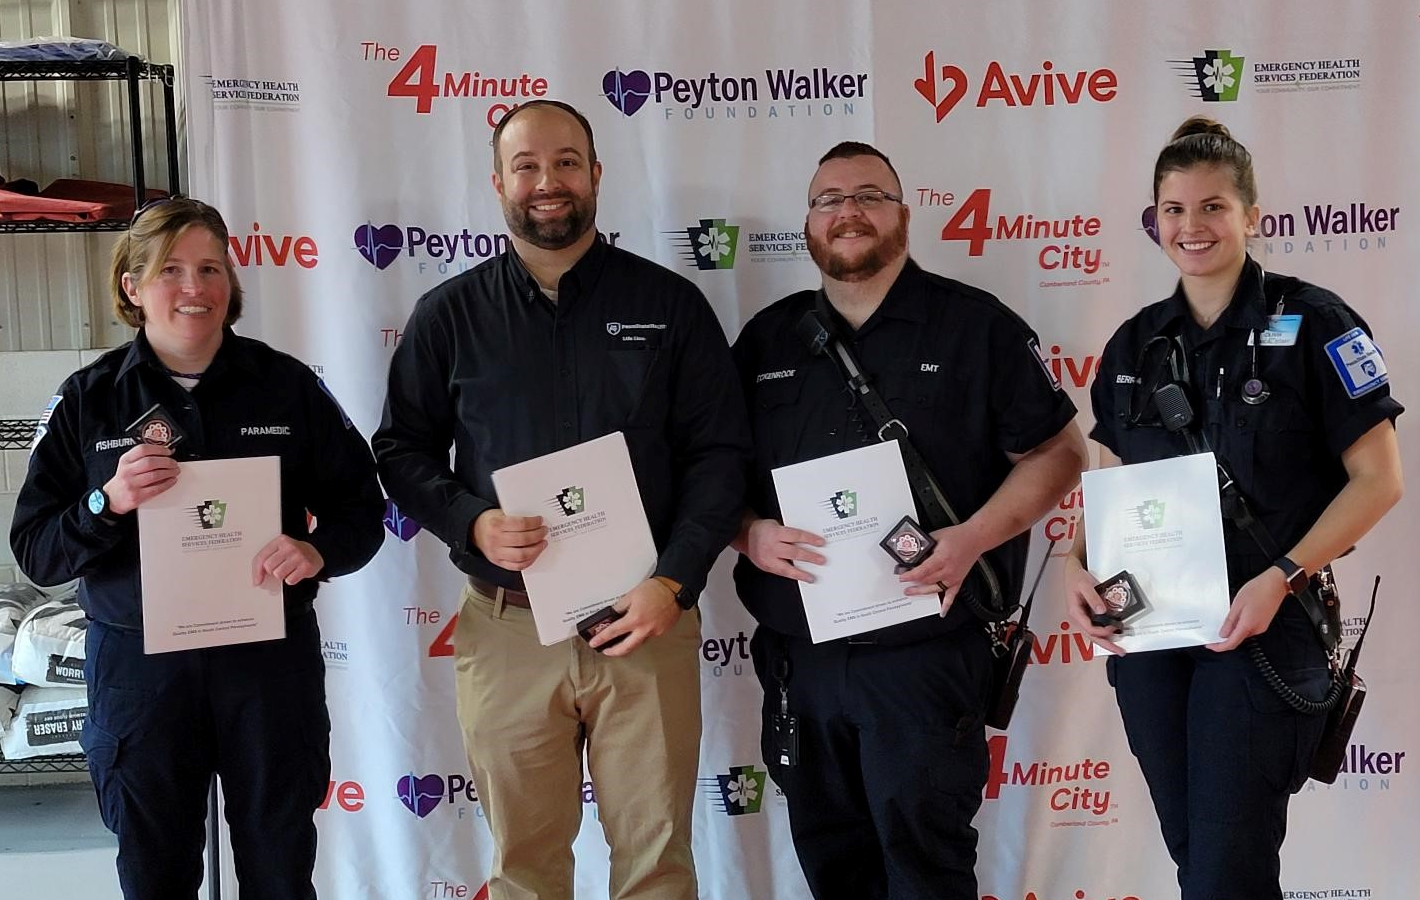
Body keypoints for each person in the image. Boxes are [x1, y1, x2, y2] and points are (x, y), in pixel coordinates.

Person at [372, 100, 750, 900]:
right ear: (498, 182)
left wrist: (673, 582)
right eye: (528, 165)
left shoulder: (671, 306)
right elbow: (400, 450)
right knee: (524, 869)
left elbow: (720, 457)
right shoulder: (449, 315)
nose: (549, 182)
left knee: (657, 867)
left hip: (647, 620)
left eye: (567, 162)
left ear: (597, 175)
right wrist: (470, 518)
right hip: (508, 628)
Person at [731, 141, 1086, 900]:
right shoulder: (767, 340)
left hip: (925, 659)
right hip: (805, 661)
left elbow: (1060, 454)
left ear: (903, 215)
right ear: (808, 222)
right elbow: (710, 473)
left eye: (869, 195)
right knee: (835, 867)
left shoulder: (975, 328)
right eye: (828, 199)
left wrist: (973, 539)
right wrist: (749, 532)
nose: (848, 212)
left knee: (926, 872)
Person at [1063, 117, 1404, 900]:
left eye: (1213, 207)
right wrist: (1077, 565)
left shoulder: (1318, 322)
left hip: (1263, 618)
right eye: (1174, 211)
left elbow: (1379, 481)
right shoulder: (1132, 346)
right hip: (1151, 630)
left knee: (1226, 866)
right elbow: (1111, 478)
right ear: (1156, 222)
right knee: (1199, 858)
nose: (1192, 227)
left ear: (1252, 216)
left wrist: (1283, 575)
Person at [9, 197, 385, 900]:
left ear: (230, 283)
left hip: (268, 670)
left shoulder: (287, 388)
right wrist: (106, 501)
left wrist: (317, 552)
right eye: (171, 269)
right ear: (132, 285)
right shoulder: (88, 402)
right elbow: (36, 550)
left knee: (279, 872)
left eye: (210, 268)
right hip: (140, 675)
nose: (195, 288)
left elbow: (363, 510)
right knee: (155, 876)